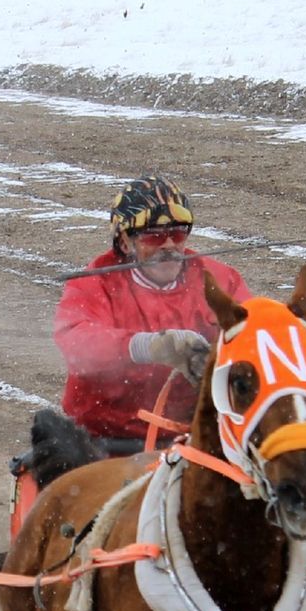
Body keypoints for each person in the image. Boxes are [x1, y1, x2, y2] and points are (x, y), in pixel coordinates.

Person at [53, 174, 251, 451]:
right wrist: (149, 346)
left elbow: (253, 332)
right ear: (125, 242)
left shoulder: (219, 279)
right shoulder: (93, 284)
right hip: (109, 440)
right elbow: (77, 342)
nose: (169, 245)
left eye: (178, 233)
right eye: (154, 236)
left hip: (200, 437)